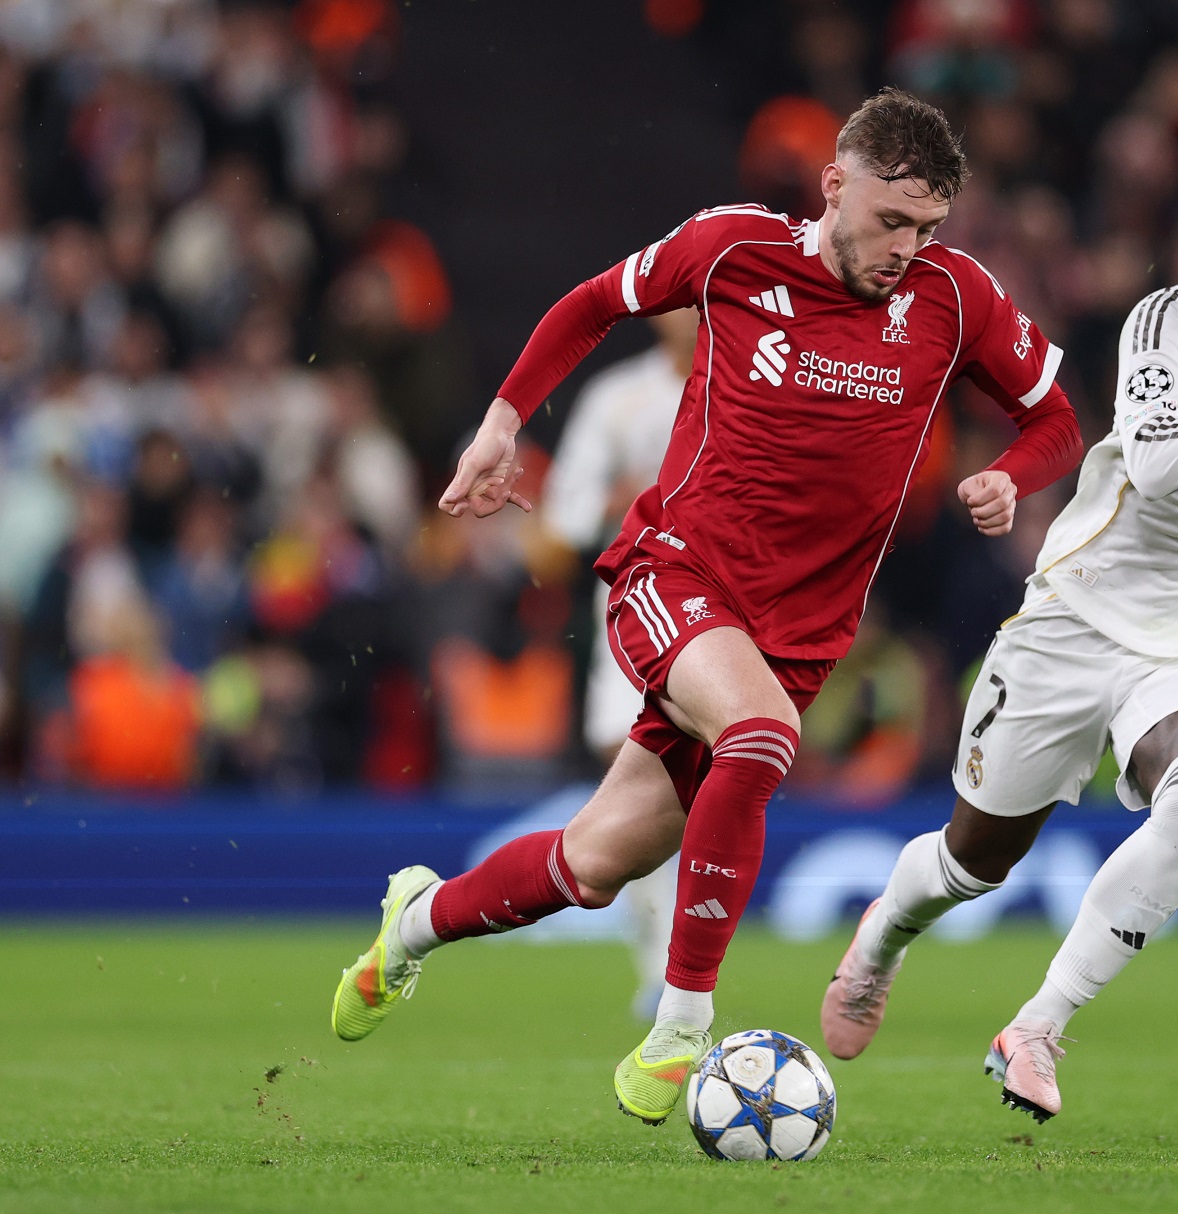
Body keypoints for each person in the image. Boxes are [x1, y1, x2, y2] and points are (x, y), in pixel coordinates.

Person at [328, 89, 1083, 1126]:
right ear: (834, 187)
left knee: (592, 864)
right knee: (762, 734)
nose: (905, 246)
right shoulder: (730, 249)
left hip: (798, 635)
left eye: (926, 227)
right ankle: (684, 1024)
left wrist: (1010, 474)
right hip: (673, 573)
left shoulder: (956, 297)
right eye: (888, 220)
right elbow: (591, 303)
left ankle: (411, 925)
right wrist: (502, 425)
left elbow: (1055, 420)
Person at [818, 119, 1178, 1122]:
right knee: (970, 862)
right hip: (1077, 620)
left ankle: (1037, 1026)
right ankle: (879, 943)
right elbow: (1156, 468)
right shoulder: (1160, 328)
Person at [539, 307, 700, 1020]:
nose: (694, 317)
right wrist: (623, 496)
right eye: (683, 303)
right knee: (636, 773)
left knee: (698, 775)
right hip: (632, 603)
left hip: (719, 608)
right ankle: (662, 964)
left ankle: (681, 965)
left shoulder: (754, 382)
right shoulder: (617, 397)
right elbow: (562, 516)